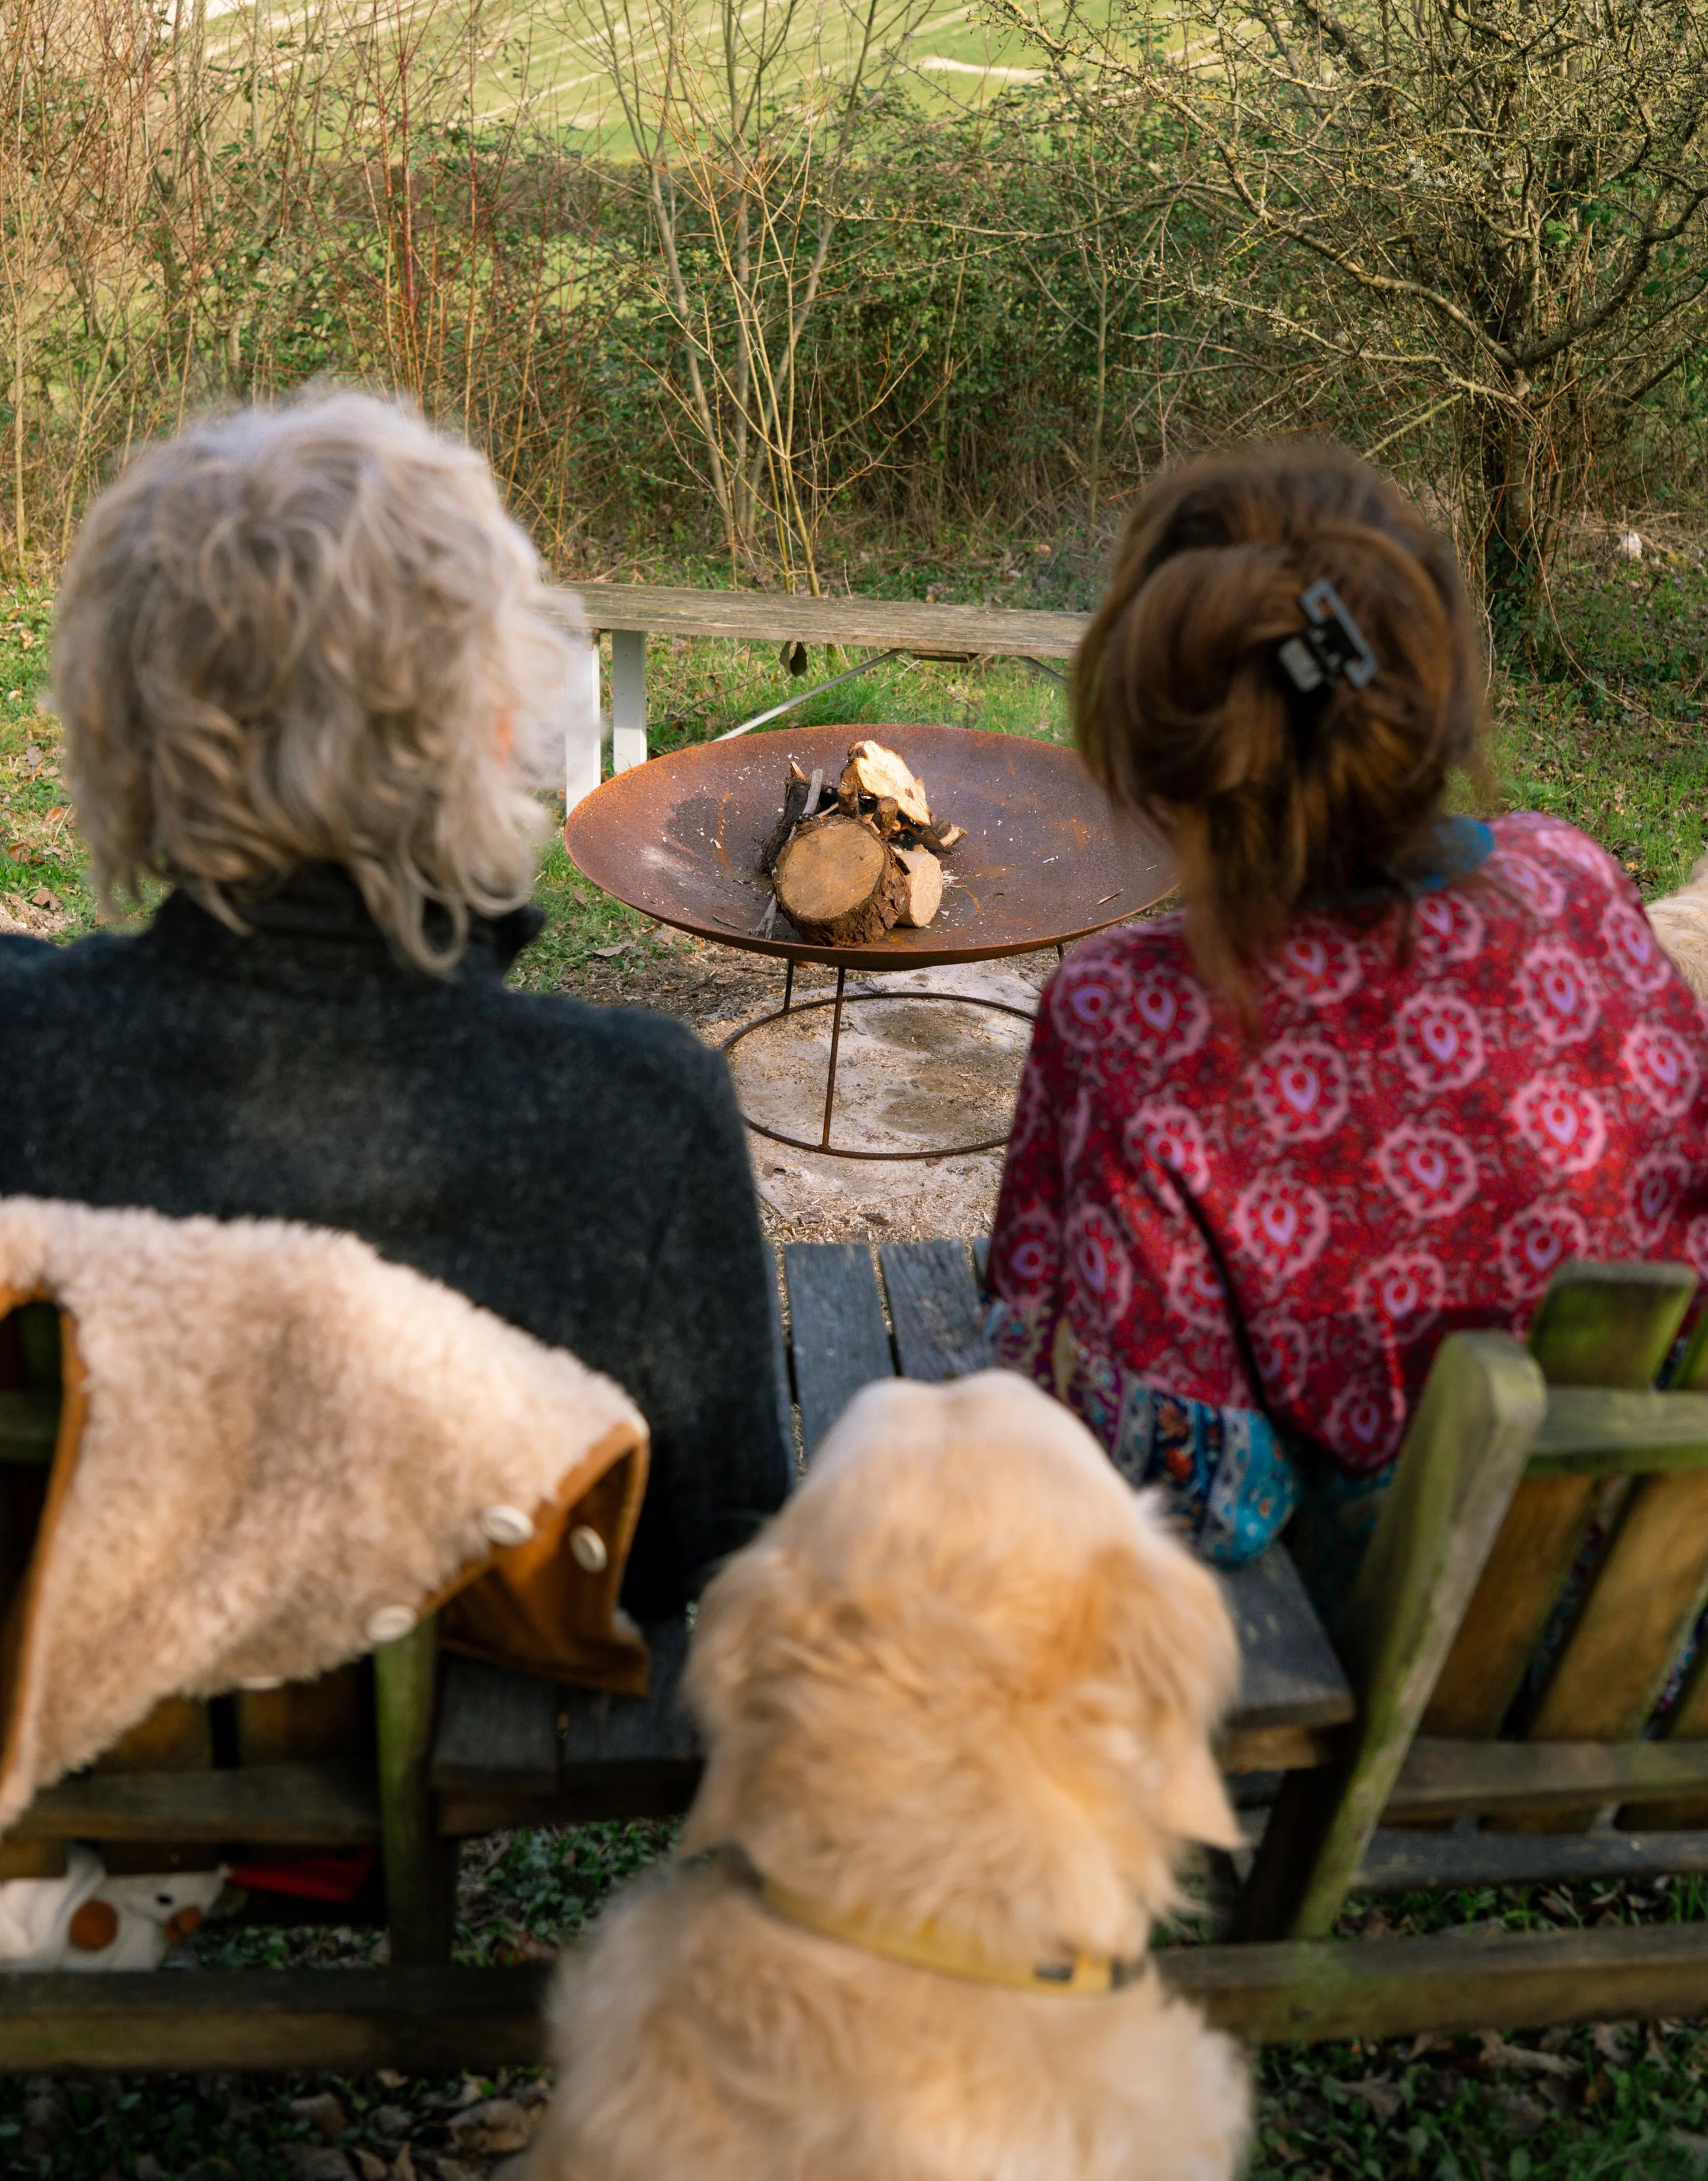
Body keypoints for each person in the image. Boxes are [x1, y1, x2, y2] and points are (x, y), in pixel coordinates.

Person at [0, 389, 790, 1615]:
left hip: (81, 1711)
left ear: (120, 721)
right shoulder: (636, 1112)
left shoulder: (25, 1053)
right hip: (473, 1720)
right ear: (490, 724)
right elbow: (711, 1559)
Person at [985, 441, 1708, 1589]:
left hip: (1399, 1661)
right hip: (1658, 1616)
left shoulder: (1132, 1021)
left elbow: (1200, 1501)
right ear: (1435, 695)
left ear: (1165, 742)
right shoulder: (1571, 880)